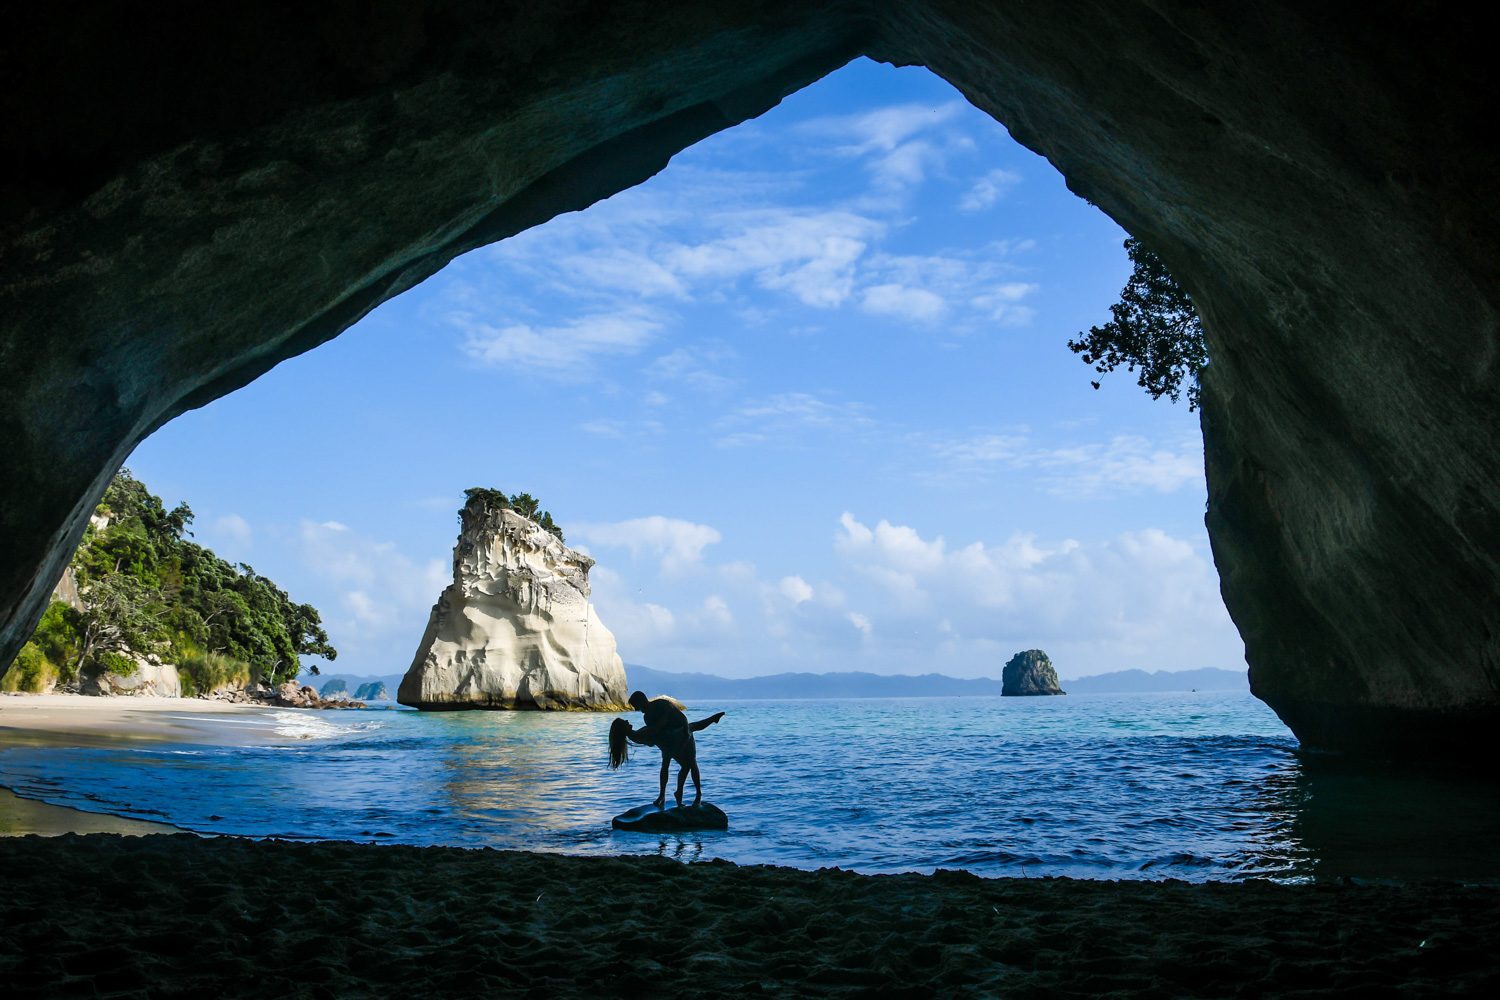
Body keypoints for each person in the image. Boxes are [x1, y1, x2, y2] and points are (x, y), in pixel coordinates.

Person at [608, 690, 725, 808]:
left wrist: (684, 731)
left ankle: (668, 795)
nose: (635, 710)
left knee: (689, 736)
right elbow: (655, 730)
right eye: (625, 722)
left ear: (642, 701)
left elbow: (679, 718)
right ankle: (687, 794)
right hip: (670, 740)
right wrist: (673, 728)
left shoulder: (659, 705)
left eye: (635, 706)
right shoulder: (646, 720)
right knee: (689, 763)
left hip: (672, 737)